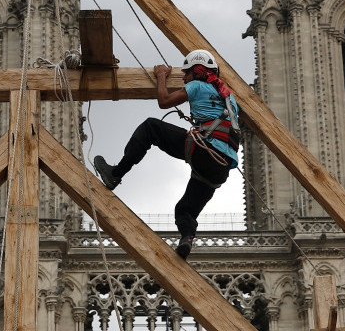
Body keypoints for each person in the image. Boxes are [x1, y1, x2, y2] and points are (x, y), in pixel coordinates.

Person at [93, 49, 242, 259]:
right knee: (185, 210)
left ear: (198, 72)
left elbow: (163, 101)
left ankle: (115, 174)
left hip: (204, 149)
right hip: (221, 168)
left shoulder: (197, 85)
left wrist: (161, 76)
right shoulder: (230, 100)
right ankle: (186, 240)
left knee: (151, 128)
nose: (183, 76)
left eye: (186, 73)